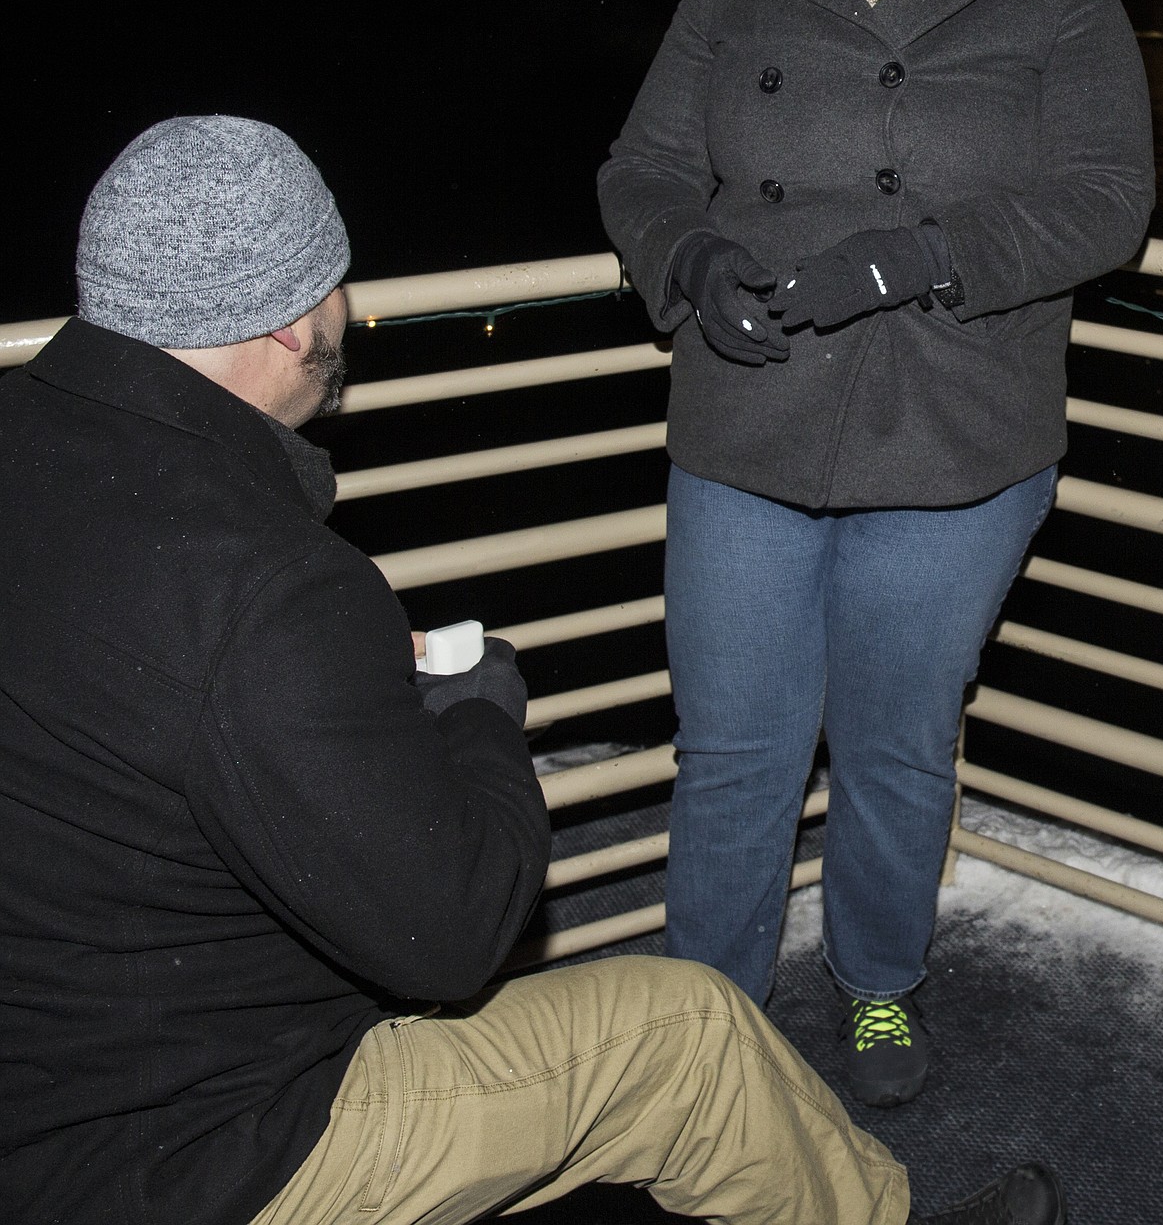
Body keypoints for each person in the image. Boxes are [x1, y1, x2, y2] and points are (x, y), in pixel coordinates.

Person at [0, 114, 1068, 1225]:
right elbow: (453, 937)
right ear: (288, 322)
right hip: (187, 1154)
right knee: (688, 1038)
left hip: (49, 1069)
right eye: (337, 290)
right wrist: (474, 717)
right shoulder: (266, 582)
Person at [598, 0, 1154, 1107]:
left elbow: (1106, 199)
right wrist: (693, 266)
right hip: (747, 417)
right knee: (733, 747)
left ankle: (879, 985)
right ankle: (698, 1016)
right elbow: (644, 169)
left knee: (898, 741)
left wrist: (914, 259)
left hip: (956, 428)